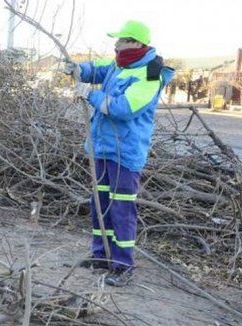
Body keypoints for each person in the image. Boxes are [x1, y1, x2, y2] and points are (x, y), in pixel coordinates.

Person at [62, 20, 174, 287]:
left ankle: (123, 265)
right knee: (100, 204)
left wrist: (91, 95)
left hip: (125, 154)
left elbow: (122, 108)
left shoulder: (149, 75)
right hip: (102, 149)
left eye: (121, 41)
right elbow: (96, 69)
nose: (116, 45)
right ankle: (102, 256)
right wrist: (78, 69)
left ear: (136, 43)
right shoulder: (119, 64)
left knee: (121, 208)